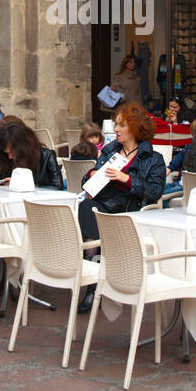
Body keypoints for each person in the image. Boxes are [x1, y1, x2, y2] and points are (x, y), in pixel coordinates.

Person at [75, 102, 166, 312]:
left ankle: (97, 285)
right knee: (87, 207)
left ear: (135, 128)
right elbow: (86, 183)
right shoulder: (109, 152)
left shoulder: (153, 159)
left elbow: (155, 192)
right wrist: (92, 175)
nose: (115, 130)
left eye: (121, 125)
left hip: (131, 210)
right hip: (103, 204)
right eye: (116, 125)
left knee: (92, 212)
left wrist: (126, 179)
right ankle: (92, 286)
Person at [0, 121, 64, 189]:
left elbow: (57, 187)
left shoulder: (46, 156)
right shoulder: (6, 160)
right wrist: (3, 184)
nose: (9, 157)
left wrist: (24, 185)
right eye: (6, 153)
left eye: (12, 152)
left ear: (22, 148)